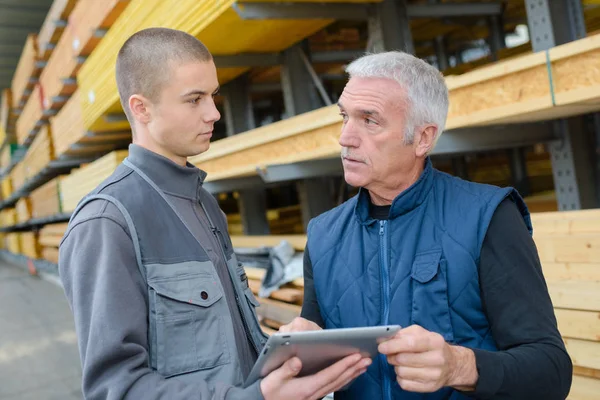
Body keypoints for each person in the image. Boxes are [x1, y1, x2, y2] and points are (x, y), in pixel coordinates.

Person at [58, 27, 371, 400]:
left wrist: (284, 353)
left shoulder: (203, 204)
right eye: (194, 100)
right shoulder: (108, 224)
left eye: (213, 95)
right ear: (141, 108)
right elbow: (117, 389)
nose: (214, 113)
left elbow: (224, 351)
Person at [280, 51, 573, 399]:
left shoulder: (487, 217)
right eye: (345, 116)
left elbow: (551, 370)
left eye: (369, 120)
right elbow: (318, 355)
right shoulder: (324, 234)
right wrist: (299, 355)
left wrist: (459, 366)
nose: (345, 137)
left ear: (423, 138)